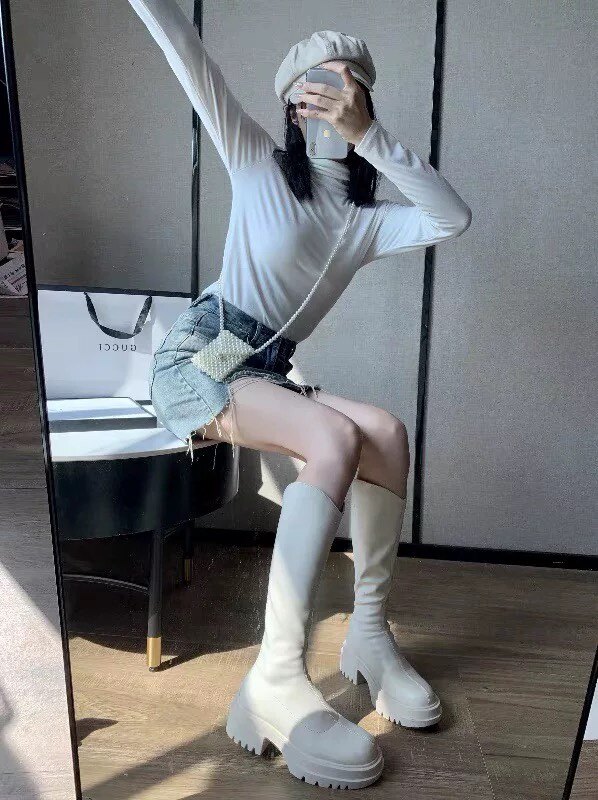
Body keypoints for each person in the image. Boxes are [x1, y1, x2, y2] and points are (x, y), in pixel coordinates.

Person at [127, 0, 471, 789]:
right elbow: (189, 55)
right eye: (318, 82)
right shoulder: (254, 159)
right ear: (292, 103)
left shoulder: (365, 219)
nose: (334, 90)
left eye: (351, 83)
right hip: (201, 356)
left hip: (267, 369)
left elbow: (451, 219)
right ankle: (276, 678)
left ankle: (369, 637)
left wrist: (370, 139)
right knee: (335, 438)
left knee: (385, 431)